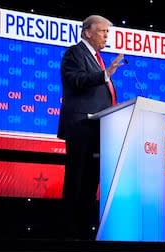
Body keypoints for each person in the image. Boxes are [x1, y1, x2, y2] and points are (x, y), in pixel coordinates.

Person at [57, 15, 124, 239]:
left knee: (90, 181)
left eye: (107, 32)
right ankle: (68, 233)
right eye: (102, 31)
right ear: (87, 32)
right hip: (81, 125)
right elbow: (75, 80)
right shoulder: (74, 53)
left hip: (98, 128)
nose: (106, 36)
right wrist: (105, 75)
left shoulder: (97, 58)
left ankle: (84, 233)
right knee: (76, 178)